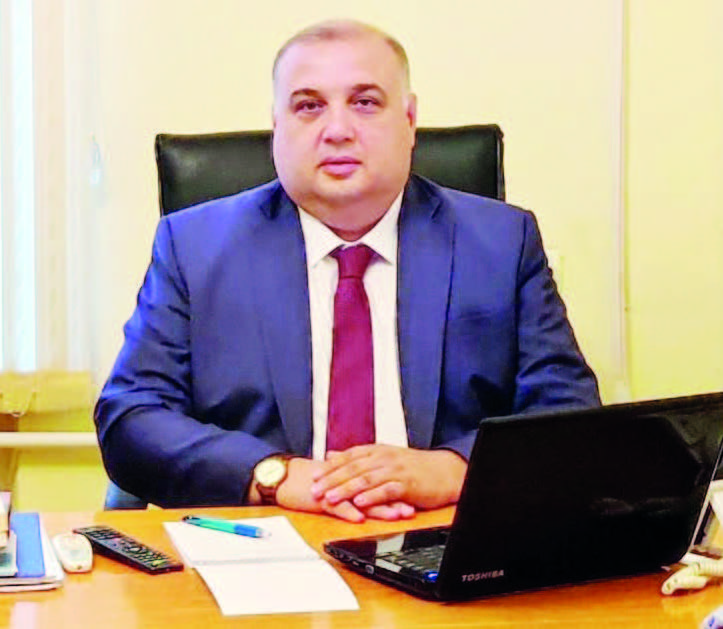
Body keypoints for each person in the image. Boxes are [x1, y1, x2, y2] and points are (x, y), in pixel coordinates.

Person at [95, 19, 600, 521]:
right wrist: (275, 476)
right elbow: (131, 417)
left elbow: (569, 412)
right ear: (277, 126)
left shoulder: (501, 242)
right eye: (308, 106)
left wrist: (453, 469)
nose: (337, 131)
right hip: (263, 536)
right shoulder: (195, 247)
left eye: (365, 102)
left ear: (409, 119)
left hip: (441, 533)